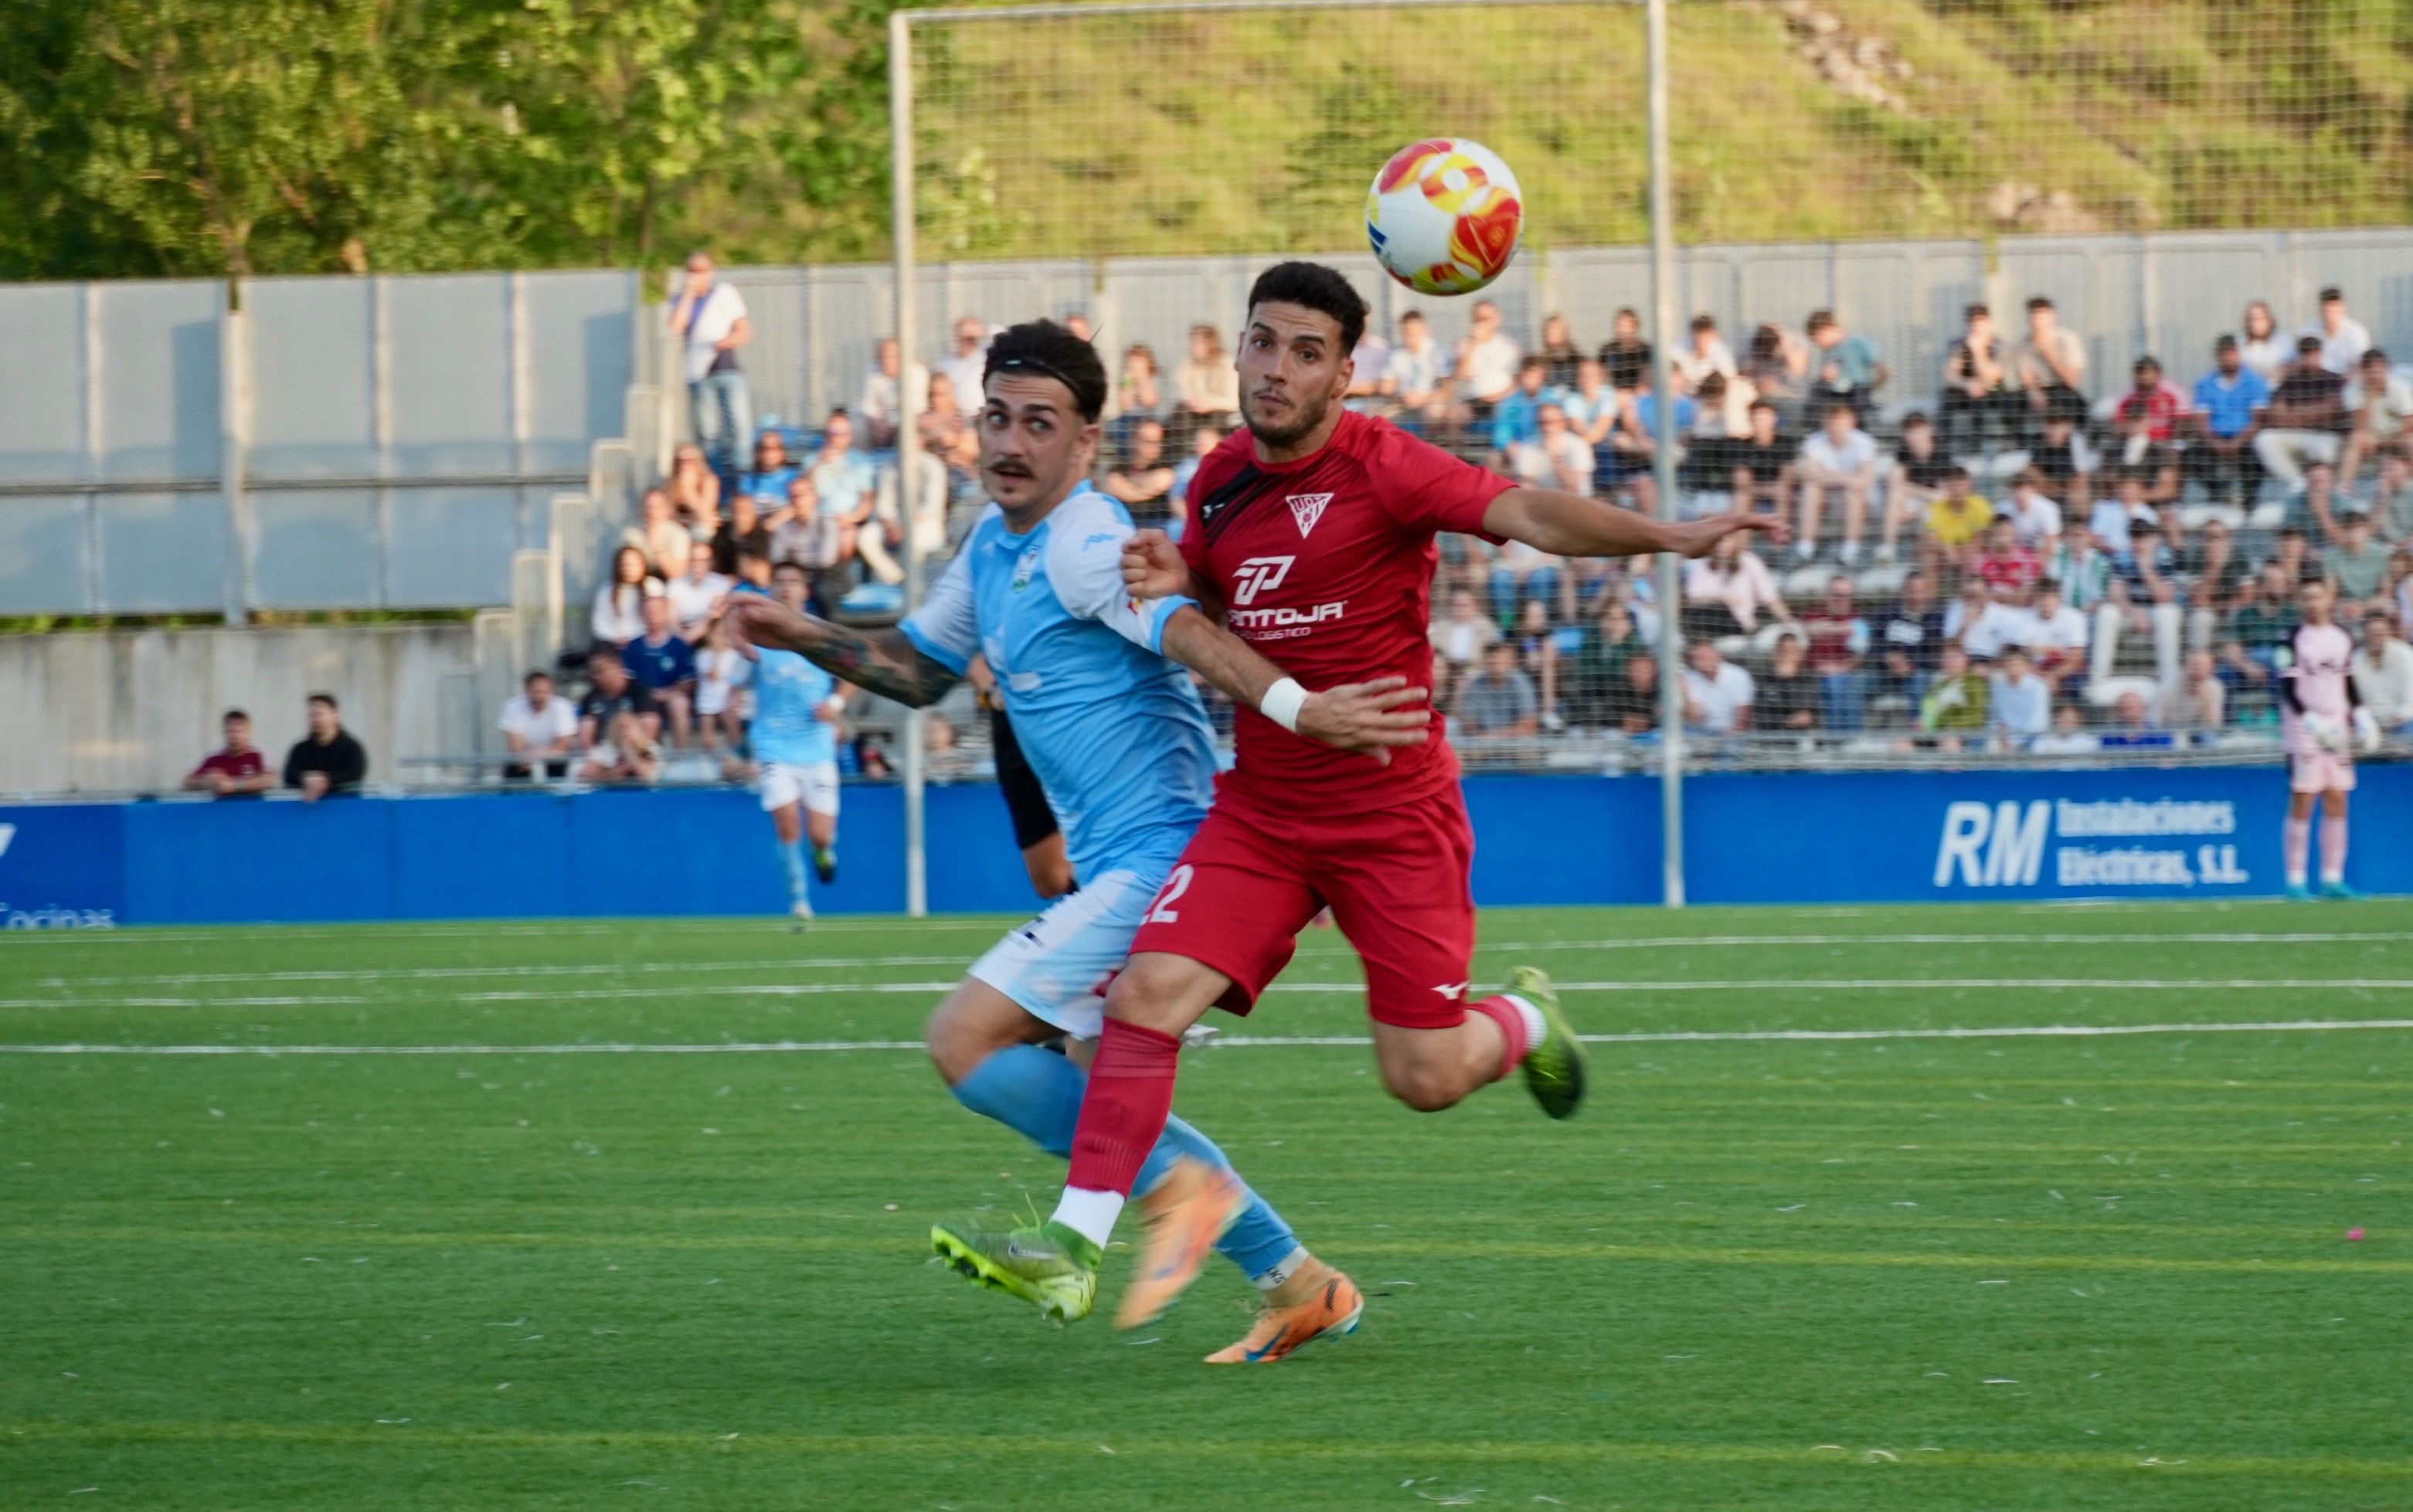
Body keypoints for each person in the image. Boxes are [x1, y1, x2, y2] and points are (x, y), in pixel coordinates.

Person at [930, 265, 1783, 1325]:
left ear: (1343, 372)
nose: (1273, 369)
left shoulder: (1387, 467)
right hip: (1262, 812)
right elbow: (1213, 585)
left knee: (1423, 1076)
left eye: (1302, 352)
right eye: (1259, 343)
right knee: (1143, 998)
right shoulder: (1217, 478)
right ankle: (1073, 1242)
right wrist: (1173, 568)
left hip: (1391, 816)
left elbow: (1525, 513)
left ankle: (1519, 1017)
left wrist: (1668, 537)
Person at [723, 318, 1413, 1351]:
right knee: (1099, 1084)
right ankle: (1293, 1279)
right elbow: (916, 671)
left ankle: (1170, 1202)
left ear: (1085, 440)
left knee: (963, 1037)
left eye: (1038, 424)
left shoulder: (1087, 544)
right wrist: (801, 635)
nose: (1009, 443)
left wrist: (1300, 710)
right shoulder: (992, 544)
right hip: (1123, 862)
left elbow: (1188, 633)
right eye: (995, 418)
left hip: (1166, 856)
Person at [744, 561, 851, 921]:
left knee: (820, 835)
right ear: (771, 589)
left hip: (816, 746)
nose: (787, 587)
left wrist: (835, 704)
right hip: (773, 744)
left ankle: (824, 852)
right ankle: (799, 901)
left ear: (805, 590)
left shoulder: (822, 633)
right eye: (780, 581)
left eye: (794, 581)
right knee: (788, 823)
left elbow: (855, 671)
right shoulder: (758, 634)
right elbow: (731, 680)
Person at [2278, 579, 2378, 899]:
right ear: (2299, 601)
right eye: (2306, 597)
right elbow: (2286, 686)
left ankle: (2332, 878)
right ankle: (2295, 880)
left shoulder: (2341, 638)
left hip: (2336, 726)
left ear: (2329, 599)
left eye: (2318, 597)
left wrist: (2361, 716)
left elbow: (2347, 681)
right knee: (2304, 798)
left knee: (2337, 797)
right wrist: (2308, 719)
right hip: (2303, 728)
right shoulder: (2290, 639)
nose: (2313, 603)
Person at [968, 656, 1074, 900]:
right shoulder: (988, 619)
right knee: (1050, 879)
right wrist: (990, 691)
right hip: (1015, 719)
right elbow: (965, 652)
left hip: (1082, 713)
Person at [669, 252, 751, 475]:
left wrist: (725, 342)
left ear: (711, 272)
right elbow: (677, 327)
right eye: (692, 271)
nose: (697, 276)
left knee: (740, 426)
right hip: (700, 374)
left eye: (702, 271)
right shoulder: (679, 300)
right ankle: (714, 478)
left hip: (727, 369)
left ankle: (741, 474)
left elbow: (744, 332)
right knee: (708, 432)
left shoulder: (725, 294)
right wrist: (689, 294)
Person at [2255, 335, 2349, 493]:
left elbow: (2334, 409)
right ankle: (2300, 486)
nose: (2310, 358)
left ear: (2320, 354)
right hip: (2298, 435)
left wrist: (2295, 414)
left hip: (2327, 436)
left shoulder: (2335, 379)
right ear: (2300, 356)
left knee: (2322, 450)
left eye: (2314, 353)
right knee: (2264, 440)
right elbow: (2278, 416)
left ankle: (2326, 491)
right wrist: (2316, 413)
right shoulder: (2291, 381)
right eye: (2306, 354)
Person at [1794, 400, 1880, 564]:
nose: (1835, 428)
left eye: (1840, 422)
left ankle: (1850, 550)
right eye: (1831, 422)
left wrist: (1831, 475)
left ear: (1851, 423)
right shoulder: (1814, 441)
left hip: (1864, 502)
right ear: (1824, 424)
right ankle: (1805, 549)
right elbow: (1809, 474)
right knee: (1811, 489)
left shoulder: (1864, 442)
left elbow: (1864, 482)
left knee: (1853, 493)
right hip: (1829, 500)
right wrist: (1846, 478)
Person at [2189, 335, 2269, 505]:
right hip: (2216, 437)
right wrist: (2214, 442)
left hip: (2245, 437)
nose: (2229, 358)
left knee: (2259, 449)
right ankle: (2220, 492)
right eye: (2224, 354)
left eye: (2232, 353)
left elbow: (2259, 420)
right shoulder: (2206, 383)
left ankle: (2249, 497)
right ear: (2218, 356)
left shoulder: (2254, 381)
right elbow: (2202, 420)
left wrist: (2238, 442)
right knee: (2192, 453)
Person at [622, 586, 698, 745]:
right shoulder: (634, 647)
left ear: (665, 613)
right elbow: (628, 681)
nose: (653, 616)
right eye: (648, 612)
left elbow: (688, 683)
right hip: (643, 699)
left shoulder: (679, 645)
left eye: (657, 611)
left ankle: (680, 754)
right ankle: (647, 758)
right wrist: (648, 695)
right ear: (642, 615)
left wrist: (666, 693)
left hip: (671, 696)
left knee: (680, 703)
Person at [574, 647, 662, 783]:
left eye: (600, 671)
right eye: (593, 672)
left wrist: (629, 754)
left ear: (618, 666)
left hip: (638, 749)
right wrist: (610, 770)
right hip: (609, 750)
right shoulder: (591, 698)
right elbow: (586, 738)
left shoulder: (640, 691)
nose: (596, 676)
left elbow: (649, 729)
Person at [1939, 302, 2016, 455]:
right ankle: (1942, 449)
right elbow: (1949, 375)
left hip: (1994, 388)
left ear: (1989, 323)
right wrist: (1967, 384)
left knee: (1996, 397)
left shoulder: (2000, 345)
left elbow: (1994, 376)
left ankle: (1985, 449)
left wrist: (1977, 349)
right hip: (1968, 388)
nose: (1976, 327)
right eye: (1972, 322)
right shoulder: (1959, 345)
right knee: (1948, 397)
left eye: (1980, 322)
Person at [2338, 348, 2413, 497]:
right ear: (2364, 372)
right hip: (2371, 438)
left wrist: (2390, 441)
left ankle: (2409, 481)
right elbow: (2359, 427)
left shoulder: (2399, 388)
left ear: (2387, 370)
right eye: (2371, 372)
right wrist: (2369, 398)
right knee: (2356, 439)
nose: (2376, 376)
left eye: (2380, 371)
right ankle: (2344, 488)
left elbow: (2409, 423)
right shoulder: (2352, 390)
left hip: (2396, 436)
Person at [282, 693, 366, 800]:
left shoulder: (352, 747)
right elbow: (289, 775)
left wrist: (324, 780)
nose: (315, 719)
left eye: (319, 714)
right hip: (308, 811)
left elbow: (355, 774)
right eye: (312, 715)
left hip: (345, 809)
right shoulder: (300, 749)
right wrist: (305, 779)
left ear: (335, 715)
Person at [2014, 295, 2088, 419]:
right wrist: (2034, 392)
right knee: (2011, 402)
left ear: (2053, 317)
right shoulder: (2024, 344)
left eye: (2041, 317)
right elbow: (2026, 378)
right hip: (2037, 389)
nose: (2037, 322)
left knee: (2075, 403)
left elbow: (2072, 381)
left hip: (2062, 388)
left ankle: (2073, 436)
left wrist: (2048, 353)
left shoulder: (2068, 339)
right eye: (2034, 316)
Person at [1804, 309, 1885, 418]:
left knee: (1857, 395)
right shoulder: (1829, 352)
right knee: (1818, 387)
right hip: (1838, 393)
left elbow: (1883, 371)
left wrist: (1870, 388)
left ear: (1826, 329)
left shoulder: (1857, 342)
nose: (1817, 344)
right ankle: (1813, 426)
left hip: (1856, 391)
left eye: (1817, 339)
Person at [498, 671, 577, 780]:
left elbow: (563, 747)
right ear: (526, 691)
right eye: (536, 692)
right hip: (524, 763)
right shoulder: (513, 707)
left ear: (552, 692)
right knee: (512, 770)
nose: (540, 697)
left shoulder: (563, 707)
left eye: (545, 692)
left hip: (555, 763)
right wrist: (531, 760)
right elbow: (515, 748)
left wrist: (538, 756)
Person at [1105, 418, 1179, 532]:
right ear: (1134, 440)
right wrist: (1143, 487)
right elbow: (1112, 486)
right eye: (1149, 442)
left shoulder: (1167, 466)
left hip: (1158, 528)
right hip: (1124, 526)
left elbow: (1164, 479)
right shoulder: (1120, 466)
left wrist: (1128, 485)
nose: (1155, 447)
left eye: (1159, 442)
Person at [1454, 640, 1539, 739]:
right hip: (1482, 741)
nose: (1495, 660)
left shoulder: (1521, 682)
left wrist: (1495, 737)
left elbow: (1529, 724)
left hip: (1514, 741)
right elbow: (1468, 722)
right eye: (1492, 656)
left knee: (1526, 738)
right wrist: (1480, 737)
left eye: (1501, 657)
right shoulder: (1476, 684)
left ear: (1510, 661)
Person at [857, 338, 928, 449]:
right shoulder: (873, 372)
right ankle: (863, 460)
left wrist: (891, 424)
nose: (886, 361)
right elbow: (868, 405)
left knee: (909, 433)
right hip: (881, 422)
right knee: (858, 424)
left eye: (892, 357)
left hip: (908, 422)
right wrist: (878, 424)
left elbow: (917, 410)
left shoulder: (917, 373)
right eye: (883, 356)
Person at [184, 709, 274, 797]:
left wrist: (235, 785)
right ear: (224, 732)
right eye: (231, 731)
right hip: (222, 810)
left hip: (253, 809)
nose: (234, 736)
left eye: (239, 731)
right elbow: (189, 781)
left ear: (248, 732)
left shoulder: (258, 754)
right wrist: (207, 781)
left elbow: (269, 779)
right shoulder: (215, 757)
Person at [2352, 610, 2413, 732]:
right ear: (2365, 635)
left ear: (2389, 633)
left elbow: (2410, 701)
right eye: (2372, 635)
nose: (2377, 639)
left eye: (2381, 634)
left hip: (2403, 723)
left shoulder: (2406, 656)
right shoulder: (2356, 660)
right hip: (2371, 726)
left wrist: (2399, 718)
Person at [1682, 637, 1755, 734]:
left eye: (1704, 657)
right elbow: (1696, 719)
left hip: (1731, 735)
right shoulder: (1690, 678)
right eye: (1696, 658)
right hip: (1701, 733)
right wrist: (1686, 694)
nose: (1700, 661)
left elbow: (1743, 720)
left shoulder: (1738, 675)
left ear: (1718, 656)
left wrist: (1723, 739)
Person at [591, 545, 651, 647]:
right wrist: (615, 638)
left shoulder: (652, 587)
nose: (630, 569)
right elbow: (599, 624)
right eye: (626, 565)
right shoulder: (606, 591)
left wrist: (633, 639)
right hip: (612, 643)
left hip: (643, 644)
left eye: (634, 565)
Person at [1758, 631, 1820, 731]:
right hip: (1771, 736)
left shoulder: (1809, 677)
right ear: (1776, 654)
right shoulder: (1766, 678)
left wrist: (1790, 678)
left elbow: (1806, 716)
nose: (1788, 656)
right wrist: (1788, 721)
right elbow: (1762, 716)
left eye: (1793, 652)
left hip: (1802, 737)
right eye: (1784, 651)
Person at [2302, 287, 2372, 375]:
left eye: (2334, 310)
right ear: (2320, 310)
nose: (2330, 315)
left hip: (2346, 381)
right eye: (2327, 310)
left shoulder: (2357, 333)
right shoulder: (2308, 331)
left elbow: (2361, 365)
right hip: (2316, 380)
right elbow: (2296, 361)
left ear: (2343, 309)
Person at [1177, 324, 1240, 420]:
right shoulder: (1188, 365)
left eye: (1198, 342)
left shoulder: (1227, 364)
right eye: (1192, 342)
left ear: (1211, 343)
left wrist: (1211, 403)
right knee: (1181, 410)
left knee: (1217, 416)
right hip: (1195, 411)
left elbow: (1234, 402)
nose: (1192, 347)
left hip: (1219, 411)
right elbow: (1183, 392)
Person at [1988, 647, 2051, 742]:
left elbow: (2039, 719)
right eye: (2010, 664)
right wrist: (2005, 737)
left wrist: (2021, 740)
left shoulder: (2038, 686)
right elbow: (1994, 717)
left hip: (2032, 737)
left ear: (2025, 666)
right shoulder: (1998, 688)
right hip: (2006, 738)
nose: (2013, 668)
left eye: (2017, 665)